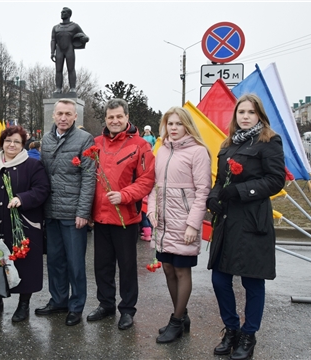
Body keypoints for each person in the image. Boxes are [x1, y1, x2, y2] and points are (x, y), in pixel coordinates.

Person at [206, 94, 285, 359]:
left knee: (252, 282)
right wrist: (214, 196)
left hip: (252, 221)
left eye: (251, 112)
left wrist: (241, 191)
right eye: (241, 112)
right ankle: (231, 329)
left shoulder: (269, 141)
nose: (245, 116)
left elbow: (276, 180)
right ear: (235, 115)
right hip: (227, 222)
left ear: (259, 115)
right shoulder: (227, 144)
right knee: (219, 279)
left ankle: (249, 335)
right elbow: (220, 181)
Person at [86, 99, 155, 330]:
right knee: (102, 266)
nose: (115, 121)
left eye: (119, 117)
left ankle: (127, 309)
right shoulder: (96, 143)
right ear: (105, 119)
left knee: (126, 266)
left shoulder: (140, 145)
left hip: (126, 217)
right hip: (101, 217)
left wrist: (125, 195)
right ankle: (106, 304)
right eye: (110, 117)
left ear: (127, 117)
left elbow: (146, 180)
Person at [146, 107, 211, 343]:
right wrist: (151, 211)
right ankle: (181, 317)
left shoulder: (198, 152)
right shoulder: (162, 150)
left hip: (184, 222)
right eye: (169, 124)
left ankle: (176, 321)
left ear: (187, 126)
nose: (173, 128)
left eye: (178, 124)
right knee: (168, 269)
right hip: (163, 221)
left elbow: (203, 191)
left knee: (182, 270)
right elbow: (155, 186)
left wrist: (193, 225)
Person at [36, 98, 96, 326]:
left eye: (67, 114)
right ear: (53, 115)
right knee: (55, 261)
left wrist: (83, 212)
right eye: (59, 113)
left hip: (73, 214)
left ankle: (76, 305)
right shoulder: (47, 139)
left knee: (75, 263)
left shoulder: (84, 139)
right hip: (51, 212)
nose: (63, 118)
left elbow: (89, 178)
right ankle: (58, 300)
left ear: (75, 117)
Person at [0, 126, 50, 322]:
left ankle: (24, 304)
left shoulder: (32, 165)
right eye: (8, 141)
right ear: (2, 142)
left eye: (16, 142)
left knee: (25, 265)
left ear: (23, 145)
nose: (11, 145)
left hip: (24, 224)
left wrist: (22, 198)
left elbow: (42, 189)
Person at [51, 7, 89, 93]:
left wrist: (85, 38)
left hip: (69, 49)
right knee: (58, 70)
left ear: (69, 14)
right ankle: (58, 88)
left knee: (71, 69)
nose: (62, 13)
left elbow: (85, 36)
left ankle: (72, 88)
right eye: (61, 12)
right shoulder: (56, 27)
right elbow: (53, 40)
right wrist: (52, 52)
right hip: (59, 50)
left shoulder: (74, 26)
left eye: (64, 12)